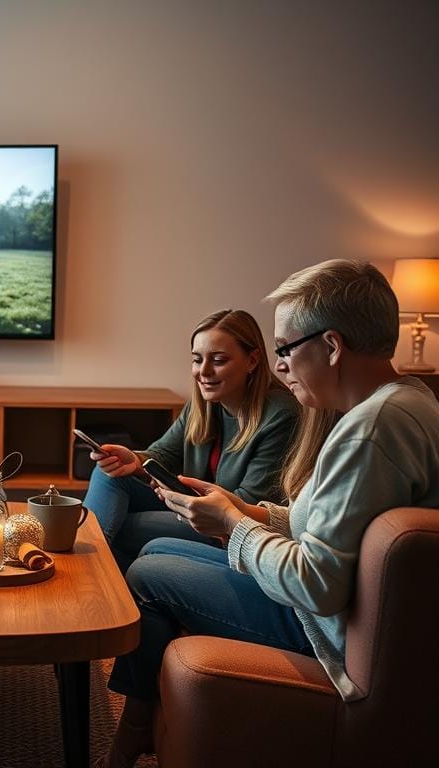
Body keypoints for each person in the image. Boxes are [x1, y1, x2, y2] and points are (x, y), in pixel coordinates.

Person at [97, 260, 439, 768]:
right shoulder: (407, 402)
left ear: (331, 346)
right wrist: (246, 509)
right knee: (156, 547)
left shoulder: (370, 430)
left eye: (285, 349)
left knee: (147, 572)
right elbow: (320, 528)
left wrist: (233, 526)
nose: (280, 366)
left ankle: (133, 730)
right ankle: (139, 725)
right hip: (339, 603)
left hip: (325, 624)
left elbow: (316, 584)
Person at [84, 309, 299, 571]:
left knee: (119, 527)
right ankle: (92, 577)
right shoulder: (204, 405)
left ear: (252, 360)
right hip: (192, 504)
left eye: (218, 360)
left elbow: (247, 505)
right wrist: (136, 459)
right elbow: (162, 454)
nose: (203, 371)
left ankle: (86, 572)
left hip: (227, 525)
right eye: (197, 360)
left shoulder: (280, 415)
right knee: (110, 472)